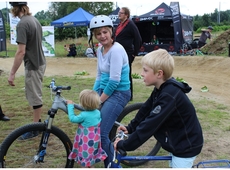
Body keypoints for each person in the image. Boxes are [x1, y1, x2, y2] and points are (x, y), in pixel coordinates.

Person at [114, 49, 203, 168]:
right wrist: (130, 128)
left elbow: (149, 125)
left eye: (145, 70)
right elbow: (145, 109)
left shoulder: (169, 95)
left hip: (186, 146)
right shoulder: (160, 89)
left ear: (159, 74)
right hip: (177, 141)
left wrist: (125, 145)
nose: (142, 73)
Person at [89, 15, 131, 167]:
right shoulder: (100, 50)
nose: (102, 36)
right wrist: (93, 96)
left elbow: (114, 81)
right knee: (93, 121)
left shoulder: (117, 50)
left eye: (105, 32)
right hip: (105, 90)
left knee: (101, 133)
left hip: (119, 93)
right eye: (98, 33)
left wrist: (99, 100)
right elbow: (99, 76)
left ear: (111, 31)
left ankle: (113, 166)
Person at [8, 2, 46, 139]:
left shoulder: (22, 24)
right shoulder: (34, 20)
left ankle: (35, 128)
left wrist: (12, 73)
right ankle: (38, 123)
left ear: (14, 9)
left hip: (33, 65)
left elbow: (21, 52)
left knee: (35, 96)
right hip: (40, 62)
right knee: (35, 93)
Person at [66, 89, 107, 168]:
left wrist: (70, 106)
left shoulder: (84, 115)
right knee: (90, 157)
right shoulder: (97, 112)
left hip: (85, 142)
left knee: (85, 160)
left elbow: (72, 119)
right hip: (94, 141)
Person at [115, 7, 142, 101]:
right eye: (119, 13)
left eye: (121, 13)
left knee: (127, 74)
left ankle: (129, 96)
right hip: (118, 53)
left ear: (126, 15)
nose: (119, 14)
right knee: (119, 73)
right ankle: (120, 93)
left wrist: (135, 53)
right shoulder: (119, 25)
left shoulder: (130, 24)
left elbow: (138, 39)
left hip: (127, 53)